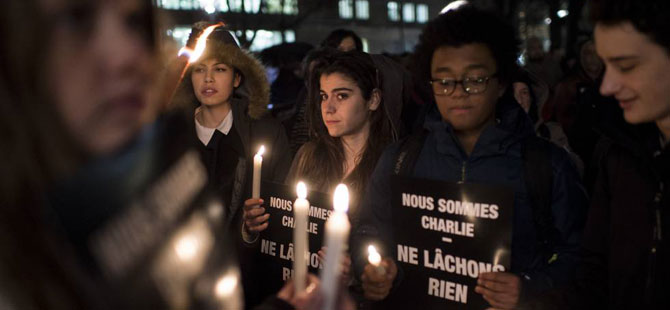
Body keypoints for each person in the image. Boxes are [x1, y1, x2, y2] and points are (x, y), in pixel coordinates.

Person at [351, 5, 587, 309]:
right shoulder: (401, 158)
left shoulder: (545, 164)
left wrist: (530, 287)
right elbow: (369, 227)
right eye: (444, 81)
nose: (458, 93)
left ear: (501, 83)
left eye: (475, 80)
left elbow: (580, 253)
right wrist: (373, 267)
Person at [568, 0, 670, 308]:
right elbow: (595, 273)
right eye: (605, 64)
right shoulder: (620, 155)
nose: (607, 86)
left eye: (625, 66)